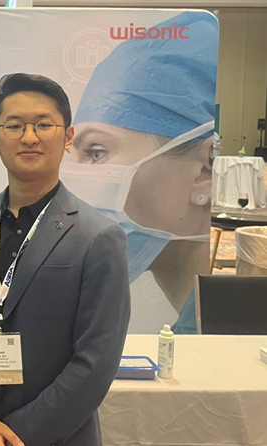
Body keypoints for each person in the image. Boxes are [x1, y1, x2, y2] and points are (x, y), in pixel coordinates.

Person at [0, 73, 130, 446]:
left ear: (68, 137)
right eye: (14, 126)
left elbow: (96, 360)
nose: (29, 137)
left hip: (57, 437)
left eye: (43, 125)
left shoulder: (99, 238)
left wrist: (19, 434)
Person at [62, 12, 216, 333]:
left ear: (204, 171)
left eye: (96, 152)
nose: (70, 183)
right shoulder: (202, 326)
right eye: (72, 155)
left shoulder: (229, 338)